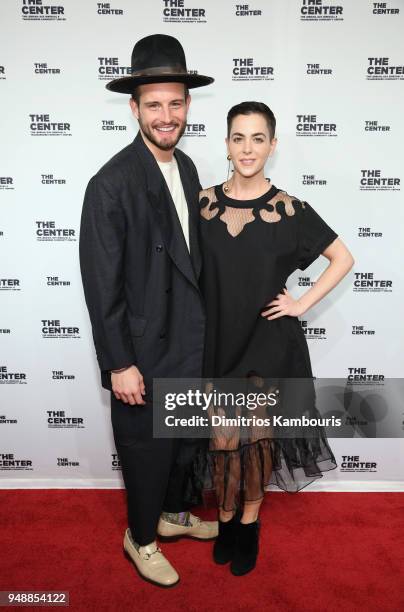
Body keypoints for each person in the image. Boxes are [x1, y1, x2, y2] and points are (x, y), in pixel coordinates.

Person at [79, 34, 218, 588]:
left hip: (185, 337)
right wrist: (118, 363)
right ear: (134, 108)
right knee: (144, 447)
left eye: (176, 102)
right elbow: (101, 283)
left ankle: (171, 513)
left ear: (188, 105)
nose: (167, 115)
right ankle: (141, 537)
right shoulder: (109, 184)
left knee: (182, 441)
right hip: (141, 351)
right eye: (154, 104)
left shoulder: (185, 167)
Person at [197, 101, 354, 576]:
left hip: (269, 343)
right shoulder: (201, 204)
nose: (248, 148)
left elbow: (342, 258)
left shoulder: (290, 209)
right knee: (224, 443)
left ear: (273, 144)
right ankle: (225, 519)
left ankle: (249, 523)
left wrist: (302, 304)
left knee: (259, 443)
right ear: (226, 144)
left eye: (258, 138)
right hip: (219, 342)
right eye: (239, 138)